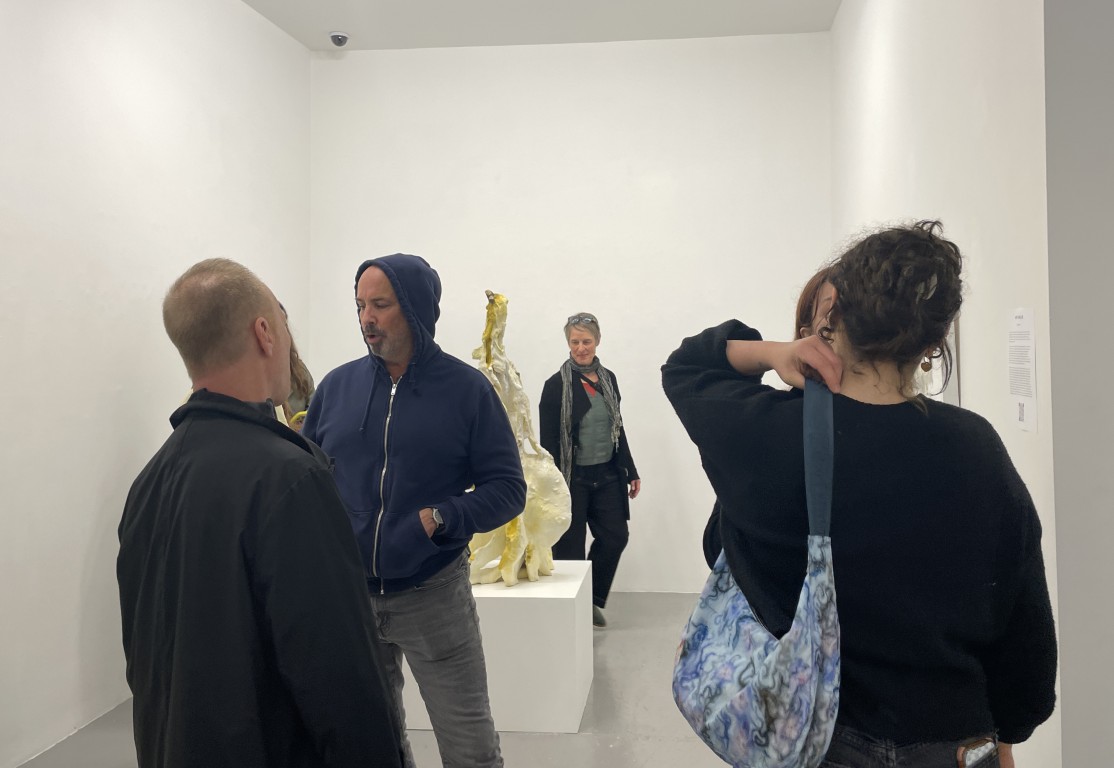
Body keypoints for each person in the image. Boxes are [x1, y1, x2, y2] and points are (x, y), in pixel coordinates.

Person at [662, 222, 1056, 768]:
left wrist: (774, 352)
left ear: (832, 315)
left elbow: (687, 365)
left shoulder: (765, 434)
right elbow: (1024, 633)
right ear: (932, 345)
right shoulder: (977, 449)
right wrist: (1008, 731)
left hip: (811, 742)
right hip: (948, 740)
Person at [117, 259, 403, 768]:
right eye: (284, 326)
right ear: (264, 333)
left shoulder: (149, 483)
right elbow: (342, 682)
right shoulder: (290, 480)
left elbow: (147, 662)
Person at [302, 253, 526, 768]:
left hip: (434, 595)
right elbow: (306, 479)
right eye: (360, 305)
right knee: (371, 747)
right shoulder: (336, 388)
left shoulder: (468, 391)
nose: (367, 318)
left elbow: (508, 488)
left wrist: (440, 518)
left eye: (380, 305)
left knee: (470, 749)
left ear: (416, 308)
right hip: (351, 599)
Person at [539, 312, 641, 629]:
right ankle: (572, 609)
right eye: (575, 342)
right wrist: (551, 485)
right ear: (568, 343)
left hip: (608, 474)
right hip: (573, 479)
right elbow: (548, 441)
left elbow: (617, 428)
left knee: (615, 537)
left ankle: (591, 598)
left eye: (586, 341)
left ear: (597, 341)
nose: (581, 348)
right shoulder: (556, 386)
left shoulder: (609, 379)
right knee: (569, 548)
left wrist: (631, 469)